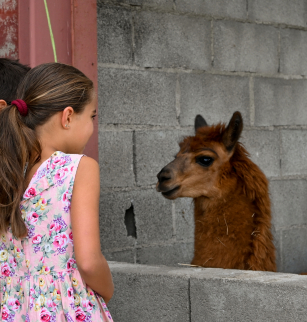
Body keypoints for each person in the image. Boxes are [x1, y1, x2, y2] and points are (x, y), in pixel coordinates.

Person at [0, 62, 114, 321]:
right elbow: (88, 261)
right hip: (66, 308)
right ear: (68, 116)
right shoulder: (79, 168)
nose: (92, 125)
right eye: (92, 116)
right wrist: (106, 290)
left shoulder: (8, 170)